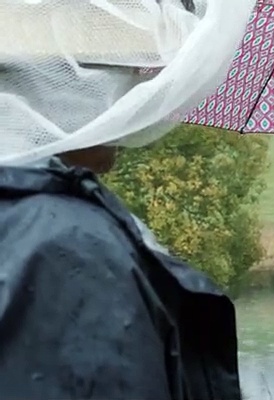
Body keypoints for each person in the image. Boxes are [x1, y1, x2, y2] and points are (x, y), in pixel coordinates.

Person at [0, 0, 256, 398]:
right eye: (118, 62)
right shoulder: (70, 249)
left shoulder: (28, 217)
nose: (139, 78)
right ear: (58, 76)